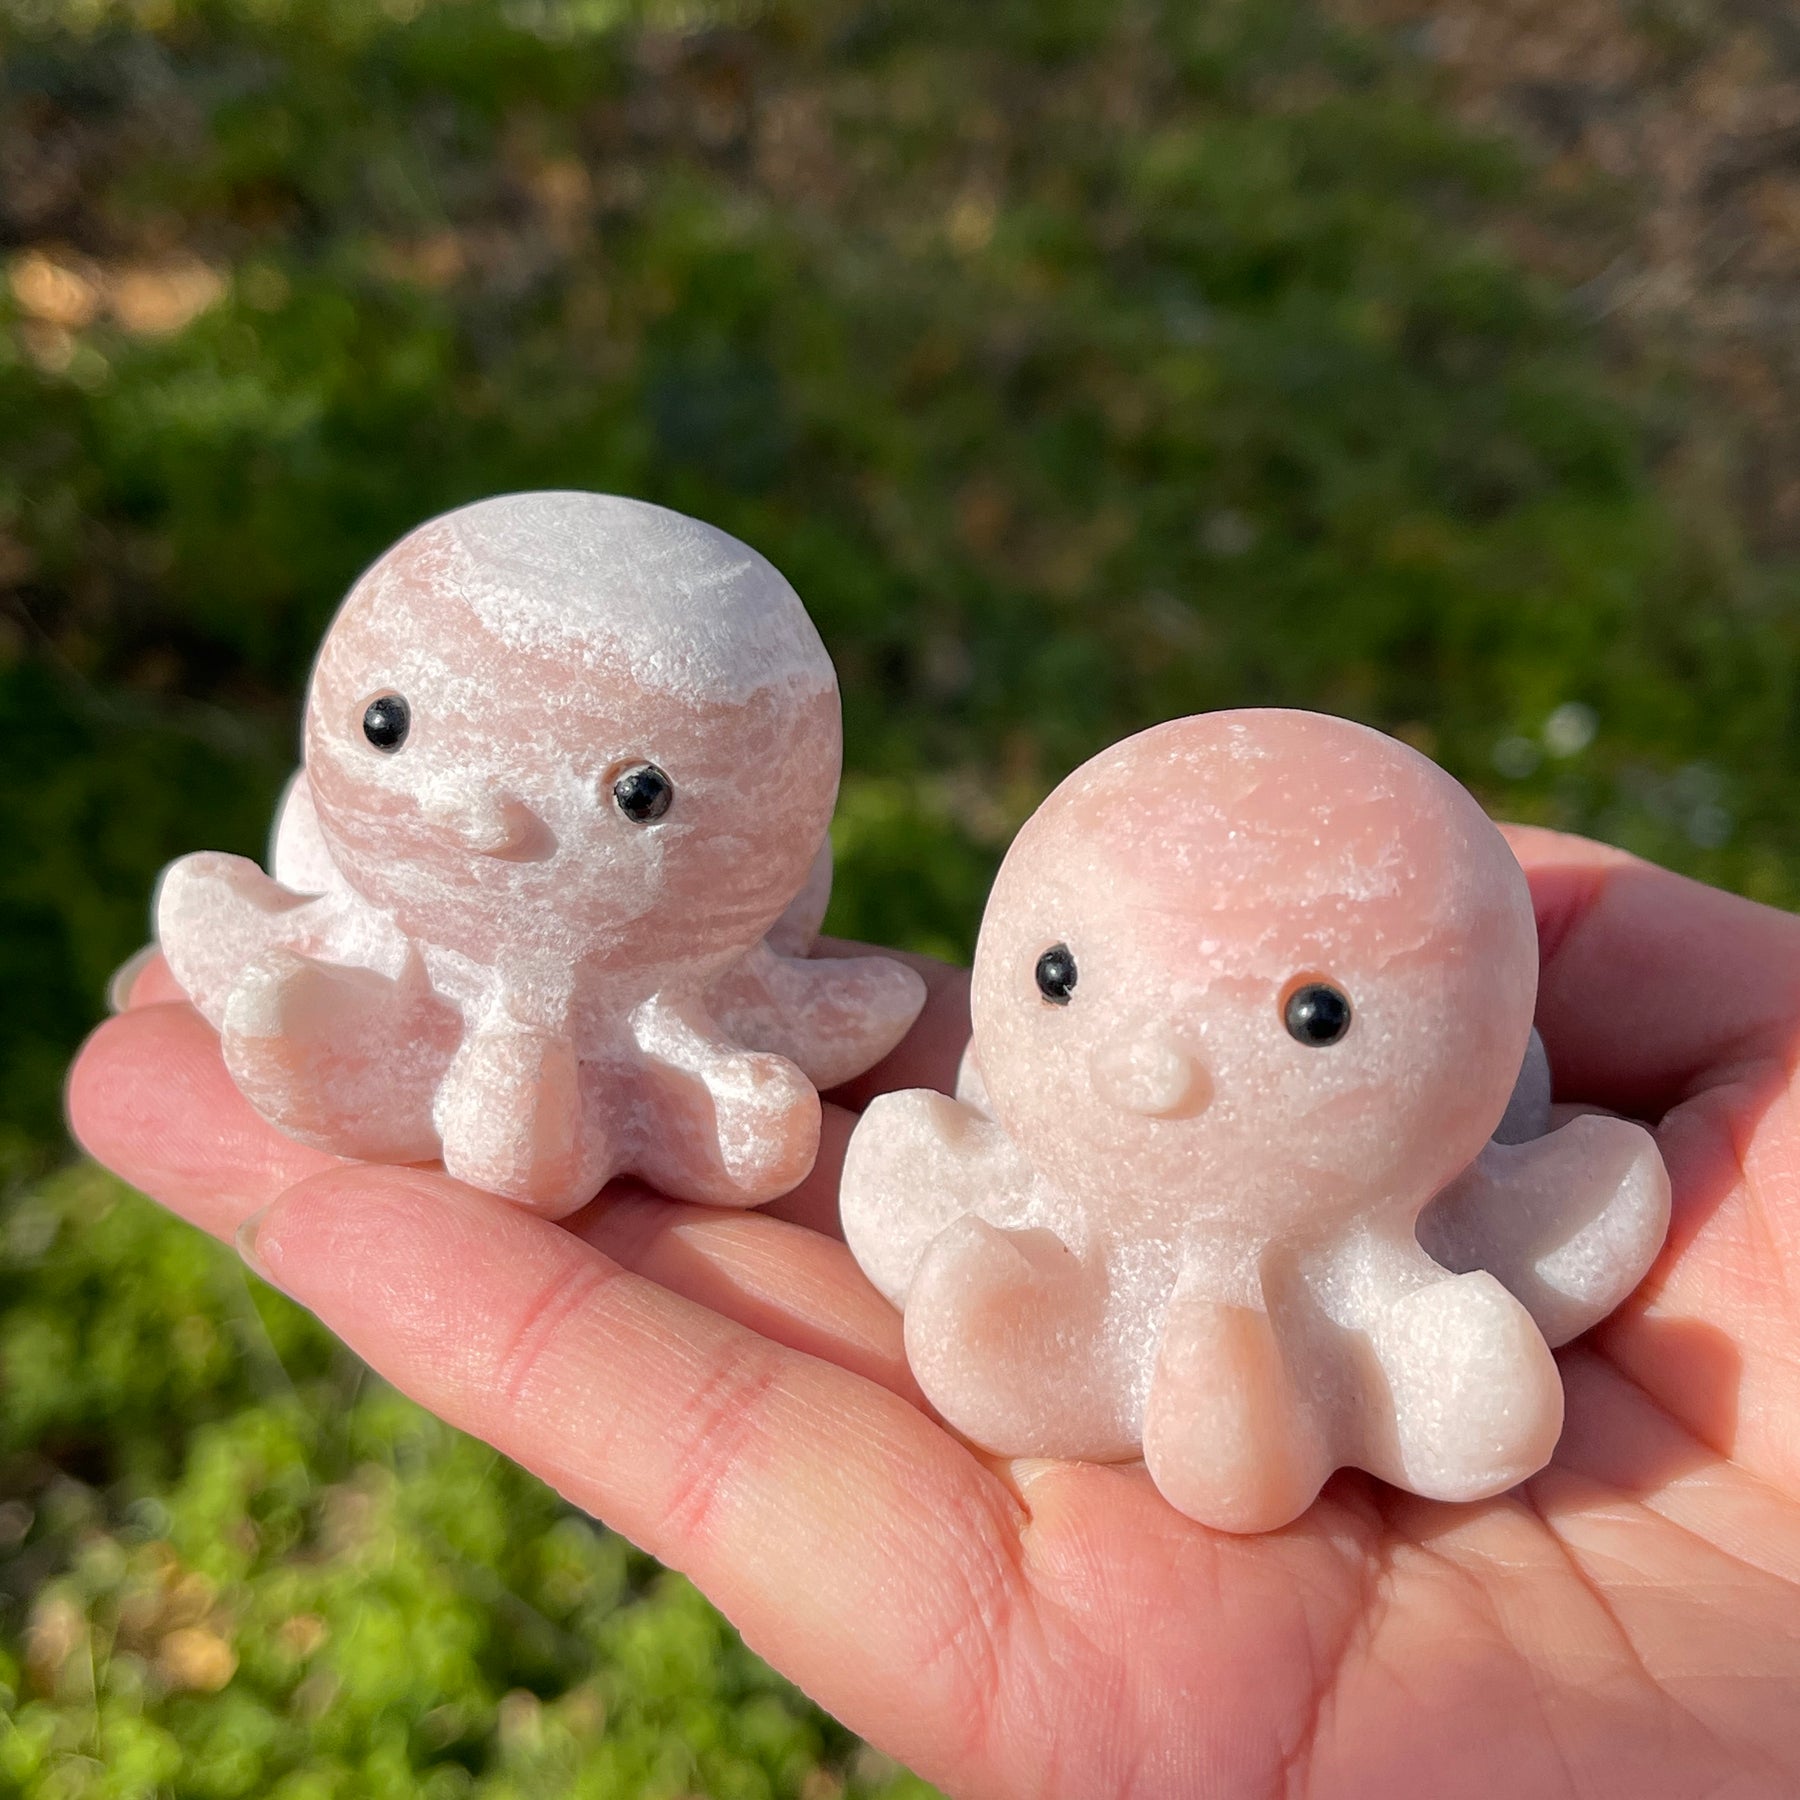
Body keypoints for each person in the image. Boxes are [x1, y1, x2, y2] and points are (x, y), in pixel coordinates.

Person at [66, 825, 1800, 1798]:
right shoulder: (992, 1182)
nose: (1160, 1068)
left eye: (1321, 1018)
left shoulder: (1460, 1217)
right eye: (1061, 980)